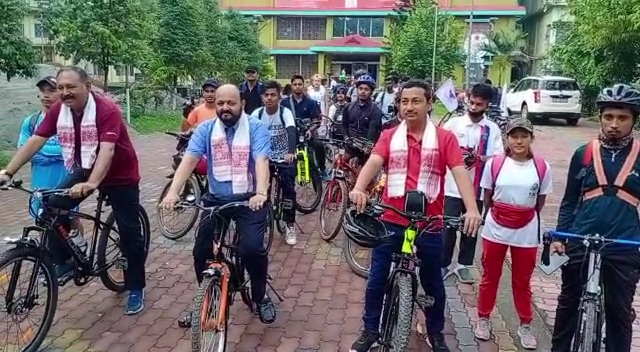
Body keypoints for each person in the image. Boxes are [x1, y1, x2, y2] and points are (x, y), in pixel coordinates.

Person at [347, 80, 484, 352]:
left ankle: (435, 333)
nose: (409, 107)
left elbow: (459, 172)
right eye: (404, 101)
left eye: (415, 101)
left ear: (430, 103)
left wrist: (472, 209)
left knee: (433, 281)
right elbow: (374, 162)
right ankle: (370, 330)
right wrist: (358, 188)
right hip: (391, 219)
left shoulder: (445, 139)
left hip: (430, 224)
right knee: (376, 280)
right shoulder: (389, 136)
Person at [0, 66, 147, 315]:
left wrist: (92, 183)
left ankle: (135, 286)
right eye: (61, 88)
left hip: (120, 175)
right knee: (49, 207)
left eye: (71, 87)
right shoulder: (60, 110)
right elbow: (37, 139)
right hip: (86, 167)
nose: (65, 92)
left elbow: (108, 150)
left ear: (87, 86)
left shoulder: (106, 109)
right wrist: (8, 171)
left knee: (129, 233)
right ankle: (67, 260)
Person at [160, 84, 276, 327]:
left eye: (230, 103)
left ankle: (260, 295)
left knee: (252, 250)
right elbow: (190, 159)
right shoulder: (206, 129)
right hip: (216, 199)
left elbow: (261, 160)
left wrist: (262, 192)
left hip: (249, 199)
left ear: (241, 103)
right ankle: (206, 299)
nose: (225, 107)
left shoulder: (256, 128)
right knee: (201, 252)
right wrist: (173, 192)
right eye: (220, 103)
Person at [551, 83, 640, 352]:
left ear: (634, 121)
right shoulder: (584, 154)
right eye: (608, 117)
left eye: (622, 118)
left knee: (620, 311)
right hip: (581, 236)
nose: (614, 124)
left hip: (624, 242)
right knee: (568, 302)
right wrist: (560, 236)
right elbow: (569, 200)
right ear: (600, 118)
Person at [475, 118, 552, 350]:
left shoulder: (542, 167)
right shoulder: (494, 165)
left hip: (527, 231)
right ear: (506, 139)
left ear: (531, 139)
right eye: (514, 136)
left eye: (524, 136)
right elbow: (487, 197)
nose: (519, 141)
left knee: (522, 281)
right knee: (490, 276)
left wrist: (521, 215)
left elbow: (539, 202)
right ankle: (483, 318)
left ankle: (525, 324)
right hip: (495, 228)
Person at [441, 83, 504, 283]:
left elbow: (499, 156)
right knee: (448, 226)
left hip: (477, 188)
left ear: (488, 105)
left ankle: (464, 265)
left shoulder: (491, 129)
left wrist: (479, 158)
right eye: (472, 102)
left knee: (471, 227)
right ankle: (443, 263)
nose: (474, 107)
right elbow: (440, 148)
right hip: (451, 187)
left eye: (479, 104)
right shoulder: (453, 124)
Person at [250, 80, 298, 245]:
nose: (269, 98)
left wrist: (291, 152)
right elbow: (250, 135)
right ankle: (261, 225)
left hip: (284, 156)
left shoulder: (285, 112)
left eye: (273, 95)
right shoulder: (257, 114)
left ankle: (290, 224)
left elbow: (291, 131)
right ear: (262, 97)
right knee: (260, 190)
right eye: (266, 95)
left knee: (289, 190)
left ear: (279, 97)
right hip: (264, 158)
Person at [281, 74, 329, 180]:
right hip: (290, 136)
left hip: (306, 134)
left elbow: (317, 120)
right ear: (291, 86)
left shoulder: (311, 103)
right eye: (295, 84)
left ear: (303, 86)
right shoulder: (284, 103)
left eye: (300, 84)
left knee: (319, 146)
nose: (297, 86)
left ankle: (322, 169)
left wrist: (310, 130)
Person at [341, 74, 383, 166]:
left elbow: (374, 131)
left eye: (366, 89)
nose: (363, 92)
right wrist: (346, 138)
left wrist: (368, 145)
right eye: (360, 88)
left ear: (371, 92)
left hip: (366, 150)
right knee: (338, 163)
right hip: (350, 147)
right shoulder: (348, 107)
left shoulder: (375, 110)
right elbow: (344, 125)